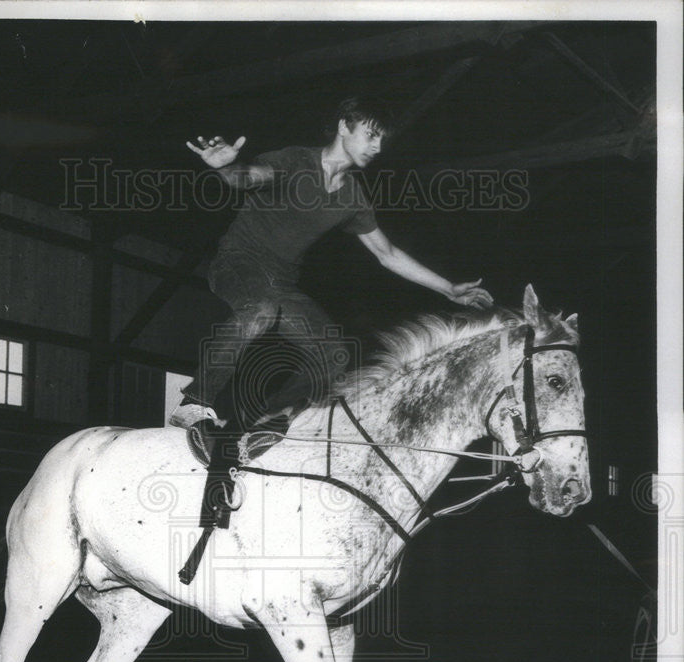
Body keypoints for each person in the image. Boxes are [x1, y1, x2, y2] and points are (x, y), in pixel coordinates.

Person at [171, 96, 493, 437]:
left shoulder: (352, 197)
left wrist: (448, 288)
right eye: (371, 135)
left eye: (382, 140)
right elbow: (246, 178)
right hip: (237, 264)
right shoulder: (296, 160)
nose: (378, 147)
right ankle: (195, 401)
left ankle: (263, 421)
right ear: (344, 126)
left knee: (334, 354)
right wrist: (224, 167)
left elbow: (386, 252)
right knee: (260, 309)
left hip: (282, 284)